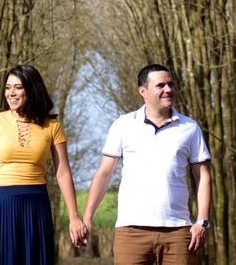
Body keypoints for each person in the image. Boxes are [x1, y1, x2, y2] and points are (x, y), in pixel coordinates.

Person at [80, 64, 211, 264]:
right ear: (143, 91)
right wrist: (87, 216)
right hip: (131, 231)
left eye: (170, 84)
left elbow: (202, 176)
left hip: (178, 231)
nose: (168, 89)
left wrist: (202, 222)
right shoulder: (123, 125)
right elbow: (104, 173)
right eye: (160, 85)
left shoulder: (190, 128)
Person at [0, 63, 85, 264]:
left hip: (35, 204)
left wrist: (74, 217)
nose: (11, 93)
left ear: (31, 89)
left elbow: (63, 173)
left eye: (18, 87)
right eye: (8, 87)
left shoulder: (53, 126)